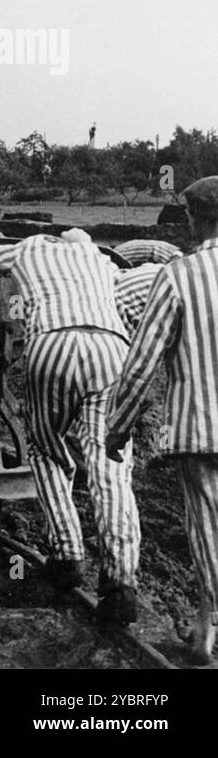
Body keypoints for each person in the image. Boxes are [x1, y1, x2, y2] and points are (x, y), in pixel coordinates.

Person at [0, 219, 140, 626]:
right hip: (111, 348)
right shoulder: (100, 260)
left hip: (53, 343)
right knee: (111, 466)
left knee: (46, 449)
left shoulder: (31, 248)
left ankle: (67, 554)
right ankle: (121, 582)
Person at [107, 177, 218, 664]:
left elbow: (141, 363)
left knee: (208, 531)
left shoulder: (178, 275)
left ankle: (208, 634)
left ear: (192, 219)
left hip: (201, 429)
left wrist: (118, 426)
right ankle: (204, 633)